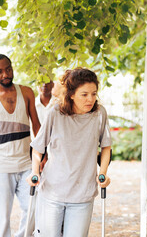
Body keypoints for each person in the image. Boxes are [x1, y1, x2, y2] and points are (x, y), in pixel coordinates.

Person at [27, 68, 111, 236]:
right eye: (84, 94)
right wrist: (34, 172)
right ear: (71, 94)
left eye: (94, 94)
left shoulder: (99, 114)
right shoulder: (56, 113)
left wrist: (103, 173)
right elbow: (38, 148)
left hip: (83, 194)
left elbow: (106, 147)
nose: (90, 99)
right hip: (53, 192)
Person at [0, 54, 41, 237]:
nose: (5, 74)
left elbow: (37, 126)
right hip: (2, 166)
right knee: (2, 218)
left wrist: (43, 155)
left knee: (33, 208)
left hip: (26, 163)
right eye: (0, 71)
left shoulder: (26, 92)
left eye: (8, 69)